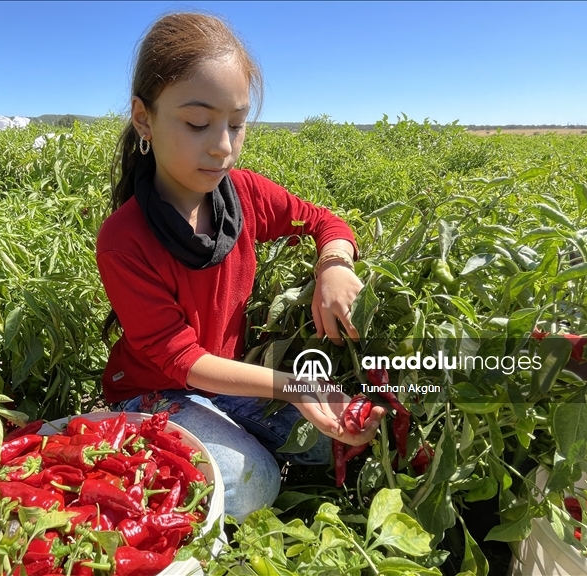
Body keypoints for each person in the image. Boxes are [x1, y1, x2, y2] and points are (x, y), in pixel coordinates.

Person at [94, 13, 385, 522]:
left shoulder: (244, 194)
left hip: (226, 381)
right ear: (144, 118)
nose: (222, 146)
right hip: (154, 392)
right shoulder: (124, 239)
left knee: (327, 442)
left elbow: (323, 222)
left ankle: (229, 440)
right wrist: (294, 387)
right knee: (255, 484)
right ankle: (128, 442)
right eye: (198, 123)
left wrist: (334, 264)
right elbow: (180, 359)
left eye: (236, 123)